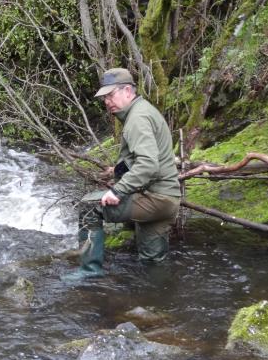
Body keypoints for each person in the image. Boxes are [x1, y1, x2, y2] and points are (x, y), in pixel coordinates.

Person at [62, 68, 181, 281]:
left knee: (89, 208)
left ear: (127, 90)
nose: (107, 101)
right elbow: (145, 158)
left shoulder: (137, 118)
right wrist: (115, 171)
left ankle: (90, 272)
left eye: (111, 95)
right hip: (168, 199)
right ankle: (158, 305)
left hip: (154, 198)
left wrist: (118, 190)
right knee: (152, 263)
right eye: (104, 97)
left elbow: (148, 165)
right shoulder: (144, 111)